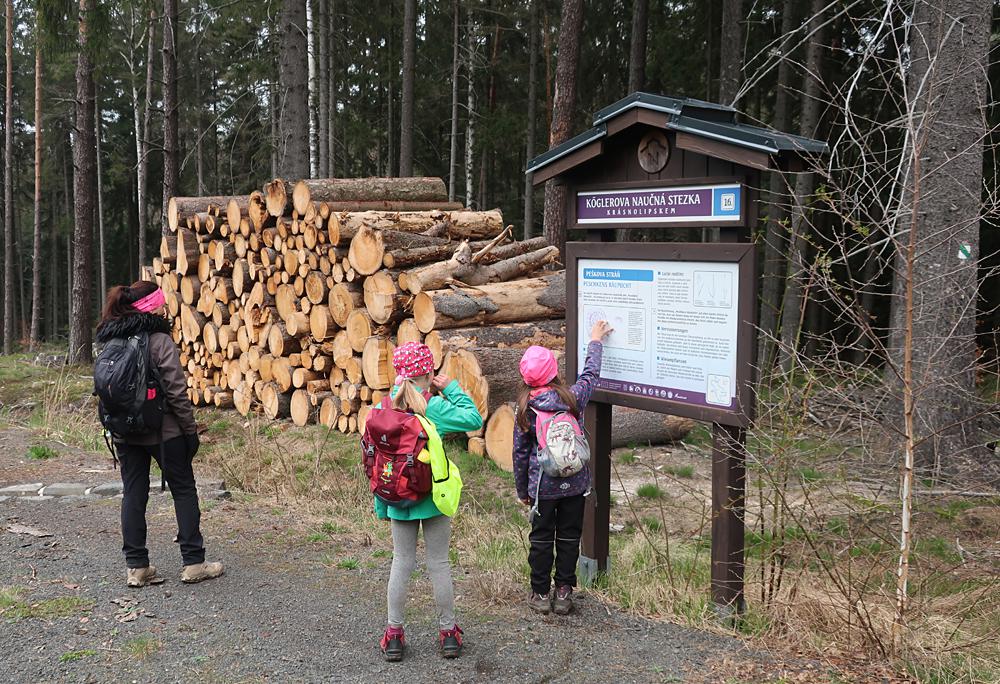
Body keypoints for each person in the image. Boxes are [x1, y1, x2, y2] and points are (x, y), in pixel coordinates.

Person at [95, 281, 223, 587]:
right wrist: (189, 430)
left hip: (125, 431)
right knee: (183, 489)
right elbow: (177, 391)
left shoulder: (111, 338)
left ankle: (137, 567)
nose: (165, 306)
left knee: (133, 493)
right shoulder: (159, 339)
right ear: (152, 306)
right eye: (161, 302)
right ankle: (194, 563)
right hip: (165, 433)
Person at [372, 342, 482, 662]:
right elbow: (473, 417)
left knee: (401, 562)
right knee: (438, 563)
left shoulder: (383, 406)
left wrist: (383, 504)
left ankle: (394, 634)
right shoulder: (432, 407)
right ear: (428, 373)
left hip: (398, 500)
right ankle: (448, 633)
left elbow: (377, 460)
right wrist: (453, 388)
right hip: (433, 498)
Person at [512, 320, 612, 615]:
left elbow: (520, 454)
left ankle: (541, 593)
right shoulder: (572, 398)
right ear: (554, 372)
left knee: (541, 539)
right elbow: (590, 374)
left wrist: (523, 491)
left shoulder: (525, 409)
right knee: (569, 536)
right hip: (576, 482)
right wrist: (596, 340)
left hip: (543, 487)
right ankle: (565, 592)